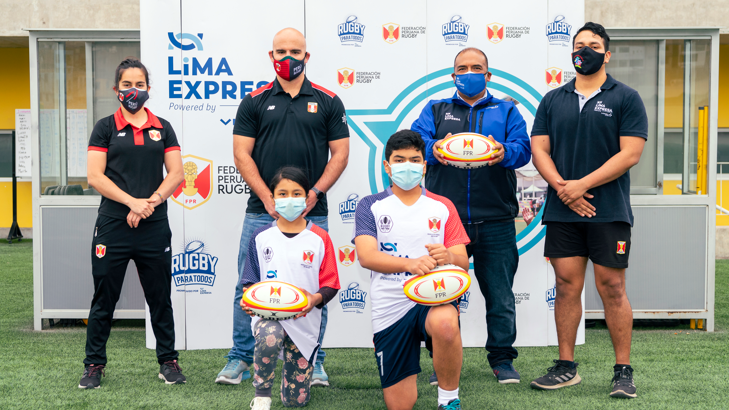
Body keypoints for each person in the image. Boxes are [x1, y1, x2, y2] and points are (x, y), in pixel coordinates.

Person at [217, 27, 349, 387]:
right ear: (271, 56)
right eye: (281, 52)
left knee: (315, 286)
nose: (288, 58)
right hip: (262, 211)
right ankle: (240, 357)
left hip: (312, 211)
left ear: (307, 56)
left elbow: (340, 154)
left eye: (295, 51)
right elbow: (241, 154)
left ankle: (314, 360)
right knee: (247, 286)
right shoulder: (254, 101)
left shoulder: (328, 100)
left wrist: (315, 193)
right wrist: (266, 197)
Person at [529, 22, 647, 399]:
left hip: (609, 210)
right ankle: (566, 367)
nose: (585, 51)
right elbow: (539, 149)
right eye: (579, 45)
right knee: (566, 287)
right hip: (563, 211)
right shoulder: (553, 99)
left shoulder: (626, 97)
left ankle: (623, 371)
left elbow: (630, 153)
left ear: (607, 54)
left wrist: (581, 185)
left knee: (612, 287)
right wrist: (564, 189)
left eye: (594, 45)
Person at [410, 47, 531, 384]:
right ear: (453, 76)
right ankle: (442, 361)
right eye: (462, 68)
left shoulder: (507, 110)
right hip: (446, 223)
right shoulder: (436, 109)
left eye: (476, 68)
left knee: (501, 296)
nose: (469, 73)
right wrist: (434, 148)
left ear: (488, 75)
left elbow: (523, 150)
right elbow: (416, 144)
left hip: (496, 219)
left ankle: (502, 360)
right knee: (442, 293)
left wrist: (503, 151)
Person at [80, 58, 185, 389]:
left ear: (149, 89)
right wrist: (131, 202)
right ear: (116, 89)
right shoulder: (105, 127)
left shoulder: (163, 127)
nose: (133, 90)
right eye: (127, 85)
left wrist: (149, 203)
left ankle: (168, 362)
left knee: (160, 298)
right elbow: (95, 176)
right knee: (104, 299)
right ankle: (94, 365)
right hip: (113, 225)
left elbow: (177, 174)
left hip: (153, 226)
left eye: (139, 84)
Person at [353, 130, 470, 410]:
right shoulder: (370, 205)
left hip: (433, 297)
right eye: (400, 160)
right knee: (400, 404)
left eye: (415, 160)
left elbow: (463, 262)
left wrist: (448, 255)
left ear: (424, 165)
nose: (408, 166)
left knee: (446, 322)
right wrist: (410, 264)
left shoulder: (442, 206)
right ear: (387, 166)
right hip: (390, 305)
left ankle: (449, 401)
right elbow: (366, 256)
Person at [241, 167, 341, 410]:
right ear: (273, 198)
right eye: (282, 194)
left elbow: (331, 284)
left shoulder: (320, 237)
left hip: (305, 321)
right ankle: (262, 395)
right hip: (269, 316)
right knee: (269, 335)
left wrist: (314, 299)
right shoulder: (261, 236)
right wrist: (248, 300)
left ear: (307, 197)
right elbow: (249, 281)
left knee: (296, 402)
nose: (289, 199)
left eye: (297, 194)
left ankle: (294, 385)